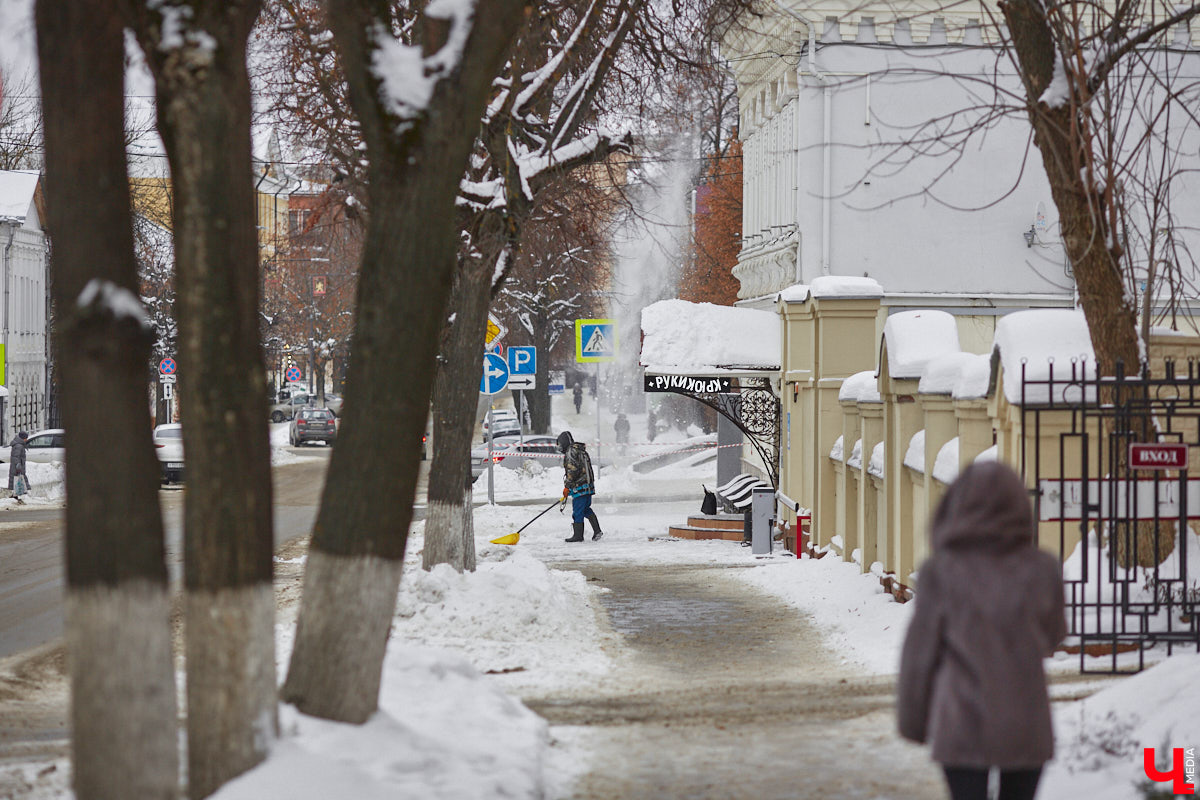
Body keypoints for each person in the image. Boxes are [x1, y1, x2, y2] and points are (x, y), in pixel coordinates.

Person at [898, 461, 1066, 800]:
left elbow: (919, 654)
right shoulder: (1043, 569)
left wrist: (913, 721)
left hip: (962, 724)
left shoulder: (941, 571)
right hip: (1025, 724)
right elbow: (1054, 636)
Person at [558, 430, 602, 542]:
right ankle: (597, 531)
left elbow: (572, 470)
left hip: (579, 487)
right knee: (585, 509)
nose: (560, 448)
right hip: (588, 486)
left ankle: (578, 536)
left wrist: (567, 486)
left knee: (578, 512)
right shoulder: (580, 450)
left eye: (560, 445)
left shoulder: (570, 452)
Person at [8, 431, 29, 503]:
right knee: (18, 479)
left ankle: (16, 494)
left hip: (18, 465)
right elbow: (16, 457)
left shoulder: (19, 444)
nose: (26, 439)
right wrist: (18, 465)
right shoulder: (18, 446)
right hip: (17, 466)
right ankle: (17, 495)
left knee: (17, 479)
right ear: (22, 438)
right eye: (26, 438)